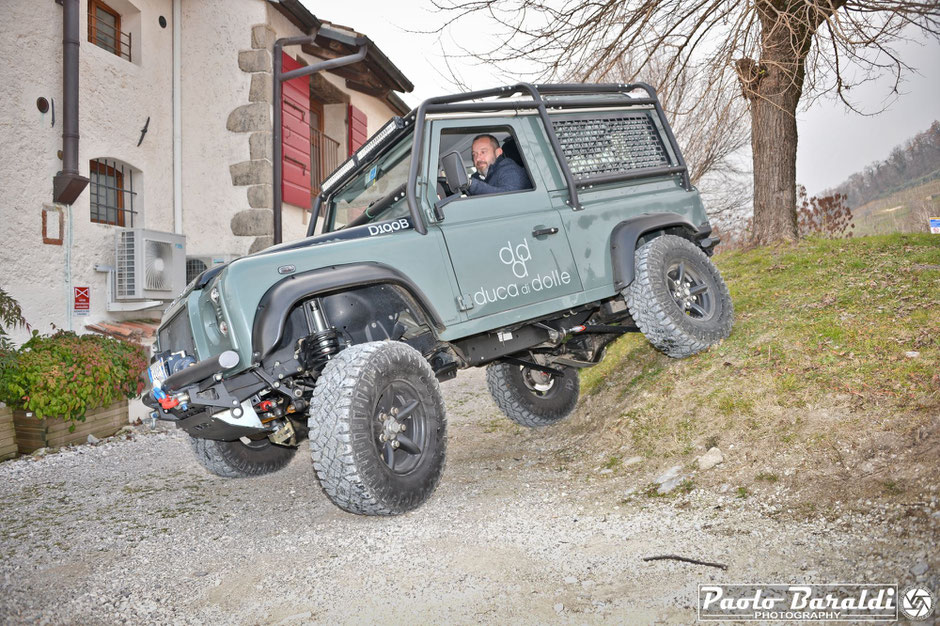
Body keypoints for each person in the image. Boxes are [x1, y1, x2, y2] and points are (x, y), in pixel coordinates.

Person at [467, 134, 532, 196]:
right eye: (474, 154)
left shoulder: (509, 169)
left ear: (498, 152)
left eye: (483, 152)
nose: (477, 158)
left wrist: (471, 185)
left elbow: (511, 198)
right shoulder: (476, 177)